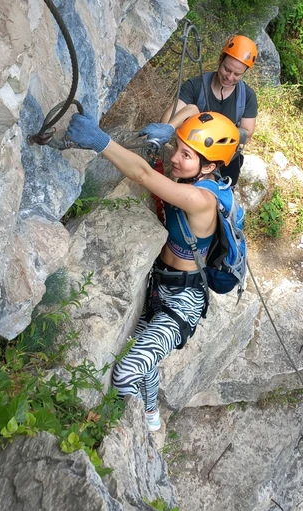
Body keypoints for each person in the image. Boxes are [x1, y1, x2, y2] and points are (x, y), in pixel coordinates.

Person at [65, 108, 241, 433]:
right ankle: (150, 417)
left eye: (186, 155)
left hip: (181, 305)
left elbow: (144, 176)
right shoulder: (193, 177)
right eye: (177, 147)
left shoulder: (200, 199)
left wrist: (100, 141)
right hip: (159, 286)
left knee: (126, 371)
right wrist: (168, 129)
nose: (175, 157)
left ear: (210, 166)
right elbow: (192, 109)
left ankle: (114, 433)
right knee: (145, 359)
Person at [161, 34, 258, 186]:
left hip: (225, 159)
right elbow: (170, 117)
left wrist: (218, 134)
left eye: (237, 74)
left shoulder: (247, 96)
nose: (229, 77)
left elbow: (247, 131)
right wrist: (168, 127)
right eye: (227, 69)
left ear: (244, 73)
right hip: (192, 155)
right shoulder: (196, 85)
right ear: (220, 60)